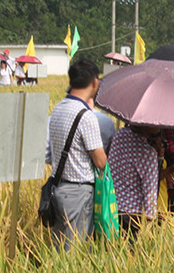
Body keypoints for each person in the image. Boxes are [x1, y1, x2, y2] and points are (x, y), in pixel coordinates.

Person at [45, 59, 107, 251]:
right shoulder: (86, 116)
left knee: (60, 248)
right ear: (95, 83)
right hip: (79, 192)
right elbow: (100, 161)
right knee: (76, 250)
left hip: (58, 188)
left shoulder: (57, 109)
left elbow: (49, 154)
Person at [109, 125, 174, 241]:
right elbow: (150, 192)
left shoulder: (120, 135)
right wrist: (150, 222)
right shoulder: (147, 153)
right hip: (133, 213)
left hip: (113, 206)